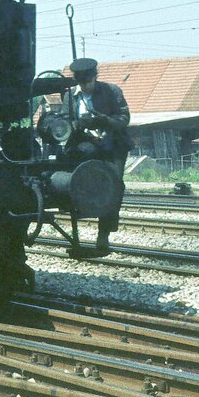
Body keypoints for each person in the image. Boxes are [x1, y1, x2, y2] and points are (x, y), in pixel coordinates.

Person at [68, 57, 131, 254]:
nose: (85, 86)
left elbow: (124, 118)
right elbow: (65, 122)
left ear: (95, 77)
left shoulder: (112, 91)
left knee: (115, 186)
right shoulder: (69, 97)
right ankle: (78, 217)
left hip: (113, 146)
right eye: (81, 83)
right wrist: (77, 125)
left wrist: (104, 121)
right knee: (77, 182)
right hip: (85, 146)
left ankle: (104, 233)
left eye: (88, 82)